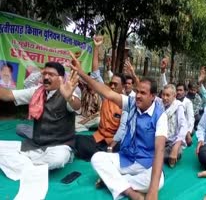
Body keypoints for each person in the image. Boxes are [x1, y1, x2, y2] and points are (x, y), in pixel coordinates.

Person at [71, 54, 168, 200]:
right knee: (97, 158)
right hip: (125, 158)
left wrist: (153, 192)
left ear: (153, 96)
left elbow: (160, 150)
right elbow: (106, 92)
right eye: (138, 92)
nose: (138, 96)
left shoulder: (160, 115)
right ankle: (130, 192)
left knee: (158, 182)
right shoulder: (131, 103)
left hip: (145, 163)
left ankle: (112, 181)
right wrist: (81, 73)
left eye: (143, 93)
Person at [0, 62, 80, 181]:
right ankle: (30, 163)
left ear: (61, 78)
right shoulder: (37, 92)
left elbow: (76, 105)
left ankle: (21, 162)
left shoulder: (68, 93)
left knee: (58, 159)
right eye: (45, 74)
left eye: (51, 74)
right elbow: (8, 95)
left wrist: (69, 97)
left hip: (58, 146)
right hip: (36, 144)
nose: (46, 77)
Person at [75, 36, 127, 161]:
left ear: (124, 87)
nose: (112, 86)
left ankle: (101, 156)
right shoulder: (106, 95)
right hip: (99, 138)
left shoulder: (126, 103)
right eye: (111, 83)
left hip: (114, 142)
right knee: (77, 140)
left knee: (122, 149)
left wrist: (112, 145)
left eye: (116, 84)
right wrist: (96, 48)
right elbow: (95, 74)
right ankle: (100, 156)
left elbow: (122, 129)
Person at [159, 57, 195, 146]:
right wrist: (163, 71)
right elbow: (165, 86)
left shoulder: (185, 103)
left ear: (185, 92)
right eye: (177, 90)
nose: (179, 92)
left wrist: (188, 133)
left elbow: (190, 119)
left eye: (180, 90)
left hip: (180, 130)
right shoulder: (163, 101)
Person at [162, 84, 188, 167]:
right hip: (159, 140)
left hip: (171, 142)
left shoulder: (178, 106)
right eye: (163, 95)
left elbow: (183, 126)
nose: (165, 98)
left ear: (174, 96)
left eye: (168, 95)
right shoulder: (159, 105)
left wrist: (176, 146)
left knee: (178, 152)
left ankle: (158, 156)